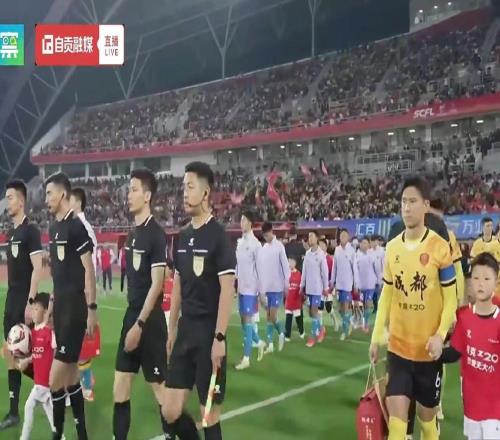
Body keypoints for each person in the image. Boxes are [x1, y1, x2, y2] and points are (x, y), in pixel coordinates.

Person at [370, 176, 457, 440]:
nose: (406, 207)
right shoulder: (392, 248)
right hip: (398, 350)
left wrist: (440, 336)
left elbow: (451, 299)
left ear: (426, 206)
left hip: (428, 353)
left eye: (412, 201)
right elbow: (387, 294)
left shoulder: (440, 248)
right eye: (403, 202)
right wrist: (376, 336)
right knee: (397, 427)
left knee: (427, 424)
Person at [163, 161, 236, 440]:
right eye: (183, 187)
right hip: (186, 332)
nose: (184, 193)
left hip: (209, 334)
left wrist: (220, 338)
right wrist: (172, 329)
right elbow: (178, 286)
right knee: (170, 411)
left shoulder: (219, 237)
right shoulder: (182, 237)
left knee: (208, 414)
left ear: (205, 193)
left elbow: (227, 290)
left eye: (190, 187)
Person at [112, 169, 168, 440]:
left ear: (147, 196)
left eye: (134, 189)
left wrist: (140, 324)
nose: (128, 195)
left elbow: (157, 284)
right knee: (120, 386)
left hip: (150, 321)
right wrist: (132, 323)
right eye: (129, 189)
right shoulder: (132, 234)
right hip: (131, 315)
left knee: (161, 391)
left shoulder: (156, 234)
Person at [45, 172, 97, 440]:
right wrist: (51, 305)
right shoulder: (53, 229)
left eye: (49, 193)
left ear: (62, 194)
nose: (46, 199)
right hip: (61, 308)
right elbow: (58, 275)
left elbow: (89, 269)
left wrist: (92, 308)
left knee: (55, 380)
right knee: (72, 377)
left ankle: (57, 436)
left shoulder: (76, 227)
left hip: (76, 309)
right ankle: (82, 434)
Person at [441, 252, 500, 440]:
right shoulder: (464, 316)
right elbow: (455, 352)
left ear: (496, 282)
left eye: (486, 278)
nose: (480, 283)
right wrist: (432, 352)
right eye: (476, 278)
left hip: (495, 409)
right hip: (471, 406)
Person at [0, 180, 43, 431]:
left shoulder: (30, 231)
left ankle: (57, 387)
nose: (7, 202)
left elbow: (38, 268)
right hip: (11, 301)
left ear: (21, 200)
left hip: (23, 302)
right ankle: (14, 411)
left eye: (10, 197)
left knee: (25, 354)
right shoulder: (10, 233)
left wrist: (30, 303)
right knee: (10, 353)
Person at [70, 188, 98, 403]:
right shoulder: (76, 225)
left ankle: (86, 386)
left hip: (81, 293)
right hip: (74, 292)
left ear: (78, 202)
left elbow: (90, 266)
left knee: (80, 345)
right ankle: (81, 384)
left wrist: (90, 301)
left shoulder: (81, 227)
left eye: (69, 200)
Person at [18, 292, 58, 439]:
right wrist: (26, 360)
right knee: (54, 422)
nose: (33, 312)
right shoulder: (34, 333)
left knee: (28, 407)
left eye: (36, 309)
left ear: (45, 312)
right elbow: (36, 354)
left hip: (45, 384)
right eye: (32, 308)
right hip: (40, 384)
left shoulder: (48, 333)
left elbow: (56, 352)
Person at [235, 210, 265, 371]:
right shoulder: (240, 243)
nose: (241, 223)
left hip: (251, 289)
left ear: (250, 223)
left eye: (244, 220)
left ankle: (246, 358)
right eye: (241, 220)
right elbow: (237, 266)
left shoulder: (256, 244)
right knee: (243, 321)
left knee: (247, 322)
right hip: (241, 287)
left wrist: (261, 292)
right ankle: (259, 342)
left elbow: (260, 269)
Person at [258, 222, 290, 354]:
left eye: (267, 235)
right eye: (264, 236)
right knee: (268, 317)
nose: (266, 238)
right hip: (266, 288)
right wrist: (261, 289)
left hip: (277, 288)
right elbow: (261, 270)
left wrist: (286, 284)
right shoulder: (264, 248)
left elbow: (285, 266)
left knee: (272, 315)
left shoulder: (279, 247)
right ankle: (272, 342)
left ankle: (279, 334)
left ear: (272, 231)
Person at [429, 198, 465, 306]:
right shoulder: (414, 235)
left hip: (444, 296)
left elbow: (457, 268)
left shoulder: (449, 236)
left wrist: (459, 296)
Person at [300, 231, 329, 347]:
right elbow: (304, 271)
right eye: (309, 237)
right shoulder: (307, 254)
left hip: (317, 288)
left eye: (312, 236)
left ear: (317, 239)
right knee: (311, 313)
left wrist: (326, 287)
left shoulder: (321, 254)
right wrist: (302, 285)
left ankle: (312, 337)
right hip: (309, 288)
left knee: (314, 310)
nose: (310, 239)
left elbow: (325, 273)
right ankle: (321, 329)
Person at [331, 229, 358, 341]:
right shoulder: (337, 250)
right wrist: (332, 281)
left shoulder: (351, 251)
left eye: (345, 236)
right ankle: (349, 321)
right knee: (340, 309)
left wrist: (355, 284)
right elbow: (334, 267)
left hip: (347, 284)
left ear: (348, 237)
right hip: (339, 284)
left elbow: (355, 268)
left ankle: (345, 331)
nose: (343, 237)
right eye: (341, 235)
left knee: (345, 308)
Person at [356, 236, 380, 333]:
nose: (364, 245)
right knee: (360, 305)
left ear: (369, 245)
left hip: (370, 284)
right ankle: (360, 322)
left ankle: (365, 323)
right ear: (360, 244)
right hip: (360, 286)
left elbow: (377, 269)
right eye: (362, 243)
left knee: (368, 304)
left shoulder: (372, 256)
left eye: (366, 243)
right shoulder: (356, 256)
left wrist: (378, 281)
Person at [470, 217, 500, 296]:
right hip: (483, 278)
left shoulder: (497, 241)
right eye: (487, 226)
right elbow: (472, 260)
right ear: (482, 227)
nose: (490, 228)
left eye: (491, 226)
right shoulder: (477, 243)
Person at [318, 238, 340, 332]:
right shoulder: (316, 257)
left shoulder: (329, 259)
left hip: (327, 287)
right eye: (319, 245)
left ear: (326, 247)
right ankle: (320, 327)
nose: (320, 247)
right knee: (319, 307)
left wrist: (330, 287)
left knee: (328, 307)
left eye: (322, 245)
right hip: (318, 287)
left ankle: (335, 320)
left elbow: (332, 274)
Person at [284, 257, 304, 340]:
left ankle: (301, 331)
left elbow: (301, 287)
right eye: (288, 262)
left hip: (296, 300)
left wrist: (302, 297)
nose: (289, 264)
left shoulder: (299, 274)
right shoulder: (286, 274)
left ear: (295, 263)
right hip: (288, 300)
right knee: (288, 317)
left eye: (291, 262)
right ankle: (287, 336)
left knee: (298, 318)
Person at [369, 235, 385, 313]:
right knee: (374, 294)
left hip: (380, 275)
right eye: (371, 242)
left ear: (377, 242)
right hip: (372, 276)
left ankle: (381, 308)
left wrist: (383, 277)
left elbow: (384, 265)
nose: (373, 243)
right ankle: (375, 307)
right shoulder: (369, 251)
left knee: (380, 294)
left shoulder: (382, 251)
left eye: (374, 241)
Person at [163, 259, 174, 329]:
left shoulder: (174, 283)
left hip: (169, 312)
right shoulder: (158, 282)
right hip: (159, 312)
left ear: (170, 270)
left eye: (165, 267)